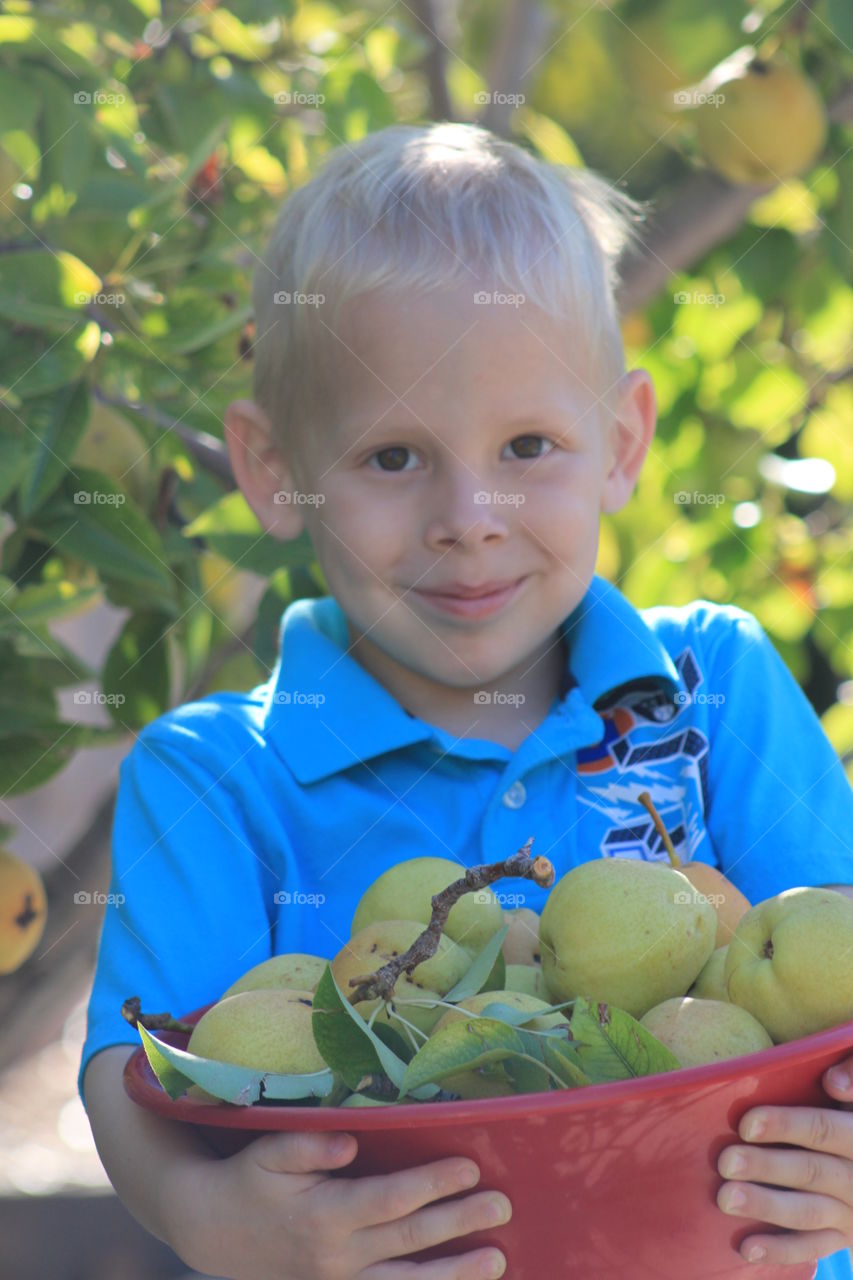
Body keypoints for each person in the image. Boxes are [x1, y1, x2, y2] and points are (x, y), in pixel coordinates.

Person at [79, 121, 853, 1280]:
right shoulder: (218, 777)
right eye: (394, 456)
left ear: (622, 441)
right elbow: (135, 1064)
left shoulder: (718, 692)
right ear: (273, 467)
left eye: (528, 443)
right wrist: (212, 1218)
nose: (468, 515)